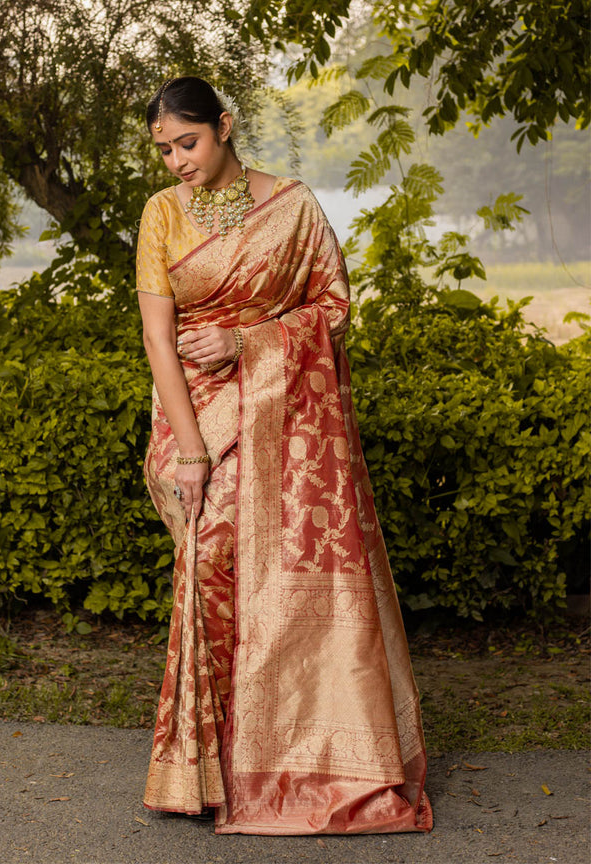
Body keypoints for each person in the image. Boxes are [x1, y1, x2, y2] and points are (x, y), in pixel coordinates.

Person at [135, 75, 433, 836]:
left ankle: (291, 759)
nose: (175, 161)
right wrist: (193, 452)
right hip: (195, 419)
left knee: (267, 568)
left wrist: (248, 343)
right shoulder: (161, 214)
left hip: (279, 412)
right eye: (164, 148)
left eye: (187, 142)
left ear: (225, 126)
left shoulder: (293, 206)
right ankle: (205, 767)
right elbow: (157, 340)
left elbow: (332, 307)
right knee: (206, 570)